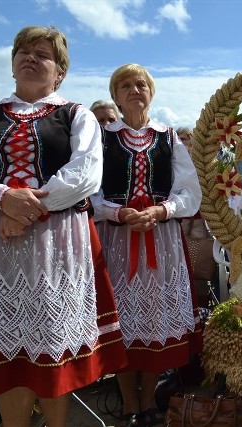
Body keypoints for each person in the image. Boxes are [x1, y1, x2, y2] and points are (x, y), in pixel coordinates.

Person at [0, 26, 126, 426]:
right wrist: (2, 198)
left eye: (42, 54)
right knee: (9, 352)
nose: (31, 58)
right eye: (24, 52)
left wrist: (25, 208)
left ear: (59, 71)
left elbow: (86, 172)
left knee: (50, 347)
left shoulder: (76, 115)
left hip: (55, 243)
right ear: (13, 64)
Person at [91, 63, 203, 427]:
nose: (134, 90)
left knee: (154, 314)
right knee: (120, 315)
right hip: (117, 238)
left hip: (161, 236)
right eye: (125, 85)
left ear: (151, 92)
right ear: (115, 96)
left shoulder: (167, 137)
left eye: (140, 84)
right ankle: (128, 402)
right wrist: (118, 213)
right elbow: (89, 191)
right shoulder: (102, 138)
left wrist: (161, 209)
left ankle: (148, 397)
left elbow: (190, 191)